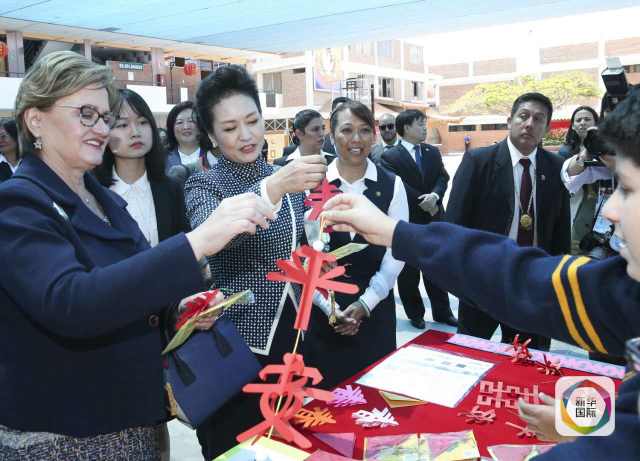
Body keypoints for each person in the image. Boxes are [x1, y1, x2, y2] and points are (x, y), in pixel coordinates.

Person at [321, 87, 640, 461]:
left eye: (627, 188)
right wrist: (397, 233)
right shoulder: (625, 291)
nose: (611, 209)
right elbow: (526, 280)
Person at [0, 51, 276, 460]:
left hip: (135, 420)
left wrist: (180, 311)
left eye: (104, 116)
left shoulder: (104, 201)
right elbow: (72, 302)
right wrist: (197, 241)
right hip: (65, 435)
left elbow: (130, 295)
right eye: (86, 114)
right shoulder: (18, 203)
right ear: (35, 120)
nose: (101, 128)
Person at [183, 64, 327, 460]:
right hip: (238, 343)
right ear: (211, 135)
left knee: (294, 444)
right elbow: (211, 239)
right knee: (238, 446)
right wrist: (272, 188)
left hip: (295, 336)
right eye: (230, 128)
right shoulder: (204, 184)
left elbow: (300, 248)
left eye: (252, 121)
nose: (246, 135)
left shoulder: (285, 175)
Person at [446, 92, 570, 351]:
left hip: (532, 284)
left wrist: (556, 281)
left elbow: (560, 231)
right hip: (483, 280)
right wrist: (461, 278)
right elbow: (454, 224)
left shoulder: (555, 167)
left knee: (528, 358)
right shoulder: (478, 161)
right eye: (523, 116)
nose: (529, 124)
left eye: (538, 119)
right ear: (509, 120)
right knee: (471, 353)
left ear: (547, 128)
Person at [304, 101, 408, 389]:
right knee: (325, 400)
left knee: (375, 399)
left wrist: (366, 303)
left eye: (364, 130)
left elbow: (397, 252)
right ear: (332, 135)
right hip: (324, 312)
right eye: (347, 130)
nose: (356, 139)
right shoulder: (312, 184)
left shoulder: (392, 185)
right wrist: (329, 308)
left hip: (375, 308)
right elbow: (306, 252)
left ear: (374, 135)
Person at [380, 109, 457, 329]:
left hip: (434, 218)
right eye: (420, 124)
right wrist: (423, 200)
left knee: (437, 268)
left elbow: (442, 177)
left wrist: (435, 196)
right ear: (406, 128)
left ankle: (443, 312)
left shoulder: (432, 151)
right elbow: (396, 185)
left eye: (425, 123)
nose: (425, 128)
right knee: (409, 272)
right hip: (408, 220)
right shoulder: (390, 156)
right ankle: (415, 314)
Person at [95, 89, 189, 247]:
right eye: (122, 125)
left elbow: (182, 247)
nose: (135, 132)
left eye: (143, 122)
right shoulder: (94, 193)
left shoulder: (171, 189)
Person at [165, 100, 216, 173]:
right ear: (171, 128)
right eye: (179, 122)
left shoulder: (213, 156)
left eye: (191, 121)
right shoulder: (162, 158)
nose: (186, 127)